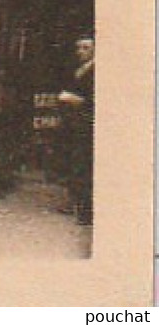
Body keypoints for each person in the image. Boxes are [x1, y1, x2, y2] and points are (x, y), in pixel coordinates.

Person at [59, 34, 95, 225]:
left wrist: (76, 100)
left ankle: (85, 211)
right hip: (74, 123)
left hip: (87, 123)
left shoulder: (96, 71)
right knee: (74, 161)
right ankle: (75, 202)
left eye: (86, 47)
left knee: (84, 164)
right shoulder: (78, 69)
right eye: (78, 48)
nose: (80, 52)